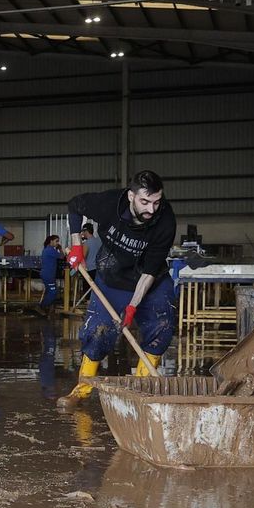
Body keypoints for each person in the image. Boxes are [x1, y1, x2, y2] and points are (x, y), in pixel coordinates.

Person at [57, 170, 177, 408]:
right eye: (145, 202)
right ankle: (81, 391)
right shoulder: (109, 203)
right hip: (112, 278)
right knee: (98, 333)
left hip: (150, 282)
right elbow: (75, 205)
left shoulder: (165, 221)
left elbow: (149, 273)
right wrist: (76, 245)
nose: (151, 210)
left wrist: (133, 306)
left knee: (161, 327)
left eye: (156, 202)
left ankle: (144, 394)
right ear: (131, 196)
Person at [37, 234, 63, 318]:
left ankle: (50, 310)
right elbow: (62, 256)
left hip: (48, 274)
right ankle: (41, 306)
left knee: (50, 292)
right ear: (51, 241)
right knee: (53, 292)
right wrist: (60, 249)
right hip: (48, 274)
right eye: (56, 241)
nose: (57, 243)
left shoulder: (48, 249)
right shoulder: (50, 250)